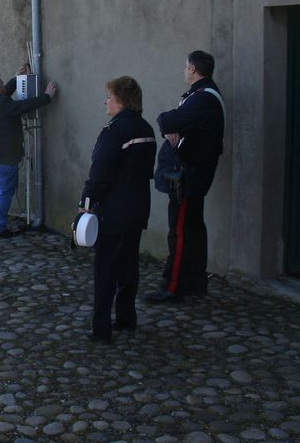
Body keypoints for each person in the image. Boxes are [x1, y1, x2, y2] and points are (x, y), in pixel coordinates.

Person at [78, 76, 156, 343]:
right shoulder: (146, 128)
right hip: (138, 205)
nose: (106, 102)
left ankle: (101, 328)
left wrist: (86, 204)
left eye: (109, 97)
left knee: (106, 268)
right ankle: (126, 317)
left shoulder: (114, 131)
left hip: (114, 209)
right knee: (129, 264)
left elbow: (100, 172)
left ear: (121, 101)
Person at [144, 50, 224, 303]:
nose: (184, 70)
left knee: (179, 232)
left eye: (185, 66)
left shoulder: (202, 98)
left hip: (189, 177)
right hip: (194, 174)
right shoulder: (202, 95)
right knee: (193, 229)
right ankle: (195, 282)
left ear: (192, 69)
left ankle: (173, 286)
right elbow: (177, 123)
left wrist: (169, 125)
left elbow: (168, 119)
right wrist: (172, 127)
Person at [0, 66, 57, 238]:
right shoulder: (4, 104)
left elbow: (5, 93)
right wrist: (47, 96)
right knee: (5, 192)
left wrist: (16, 79)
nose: (4, 87)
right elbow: (24, 105)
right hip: (7, 156)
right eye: (2, 85)